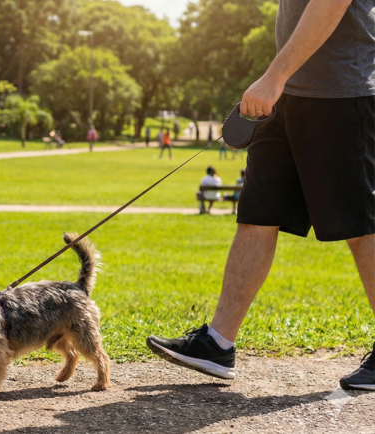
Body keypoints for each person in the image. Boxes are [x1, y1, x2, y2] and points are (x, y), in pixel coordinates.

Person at [147, 0, 375, 391]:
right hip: (286, 96)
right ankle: (218, 343)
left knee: (360, 225)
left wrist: (274, 76)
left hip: (339, 93)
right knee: (258, 214)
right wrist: (279, 81)